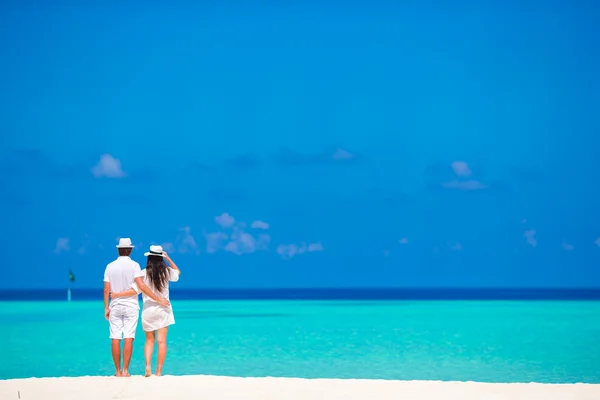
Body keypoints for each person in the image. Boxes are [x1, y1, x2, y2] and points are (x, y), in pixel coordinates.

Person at [103, 238, 170, 377]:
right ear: (130, 250)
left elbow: (106, 289)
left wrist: (106, 307)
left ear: (118, 249)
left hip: (115, 305)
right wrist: (158, 299)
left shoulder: (109, 266)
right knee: (129, 337)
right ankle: (127, 371)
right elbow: (141, 286)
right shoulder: (134, 266)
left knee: (115, 337)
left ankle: (118, 371)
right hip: (131, 306)